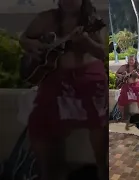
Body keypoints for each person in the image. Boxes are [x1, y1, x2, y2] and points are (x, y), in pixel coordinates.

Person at [19, 0, 107, 180]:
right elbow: (24, 38)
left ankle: (103, 170)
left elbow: (102, 53)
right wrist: (34, 46)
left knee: (99, 124)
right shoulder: (46, 18)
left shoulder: (92, 20)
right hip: (55, 79)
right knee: (40, 123)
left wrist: (86, 42)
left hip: (89, 80)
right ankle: (50, 172)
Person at [116, 55, 139, 130]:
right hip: (126, 86)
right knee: (121, 101)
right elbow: (116, 73)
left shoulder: (138, 67)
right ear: (127, 60)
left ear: (135, 60)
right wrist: (121, 76)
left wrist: (137, 75)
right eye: (129, 60)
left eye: (132, 60)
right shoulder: (124, 67)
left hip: (136, 86)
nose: (131, 61)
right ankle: (123, 116)